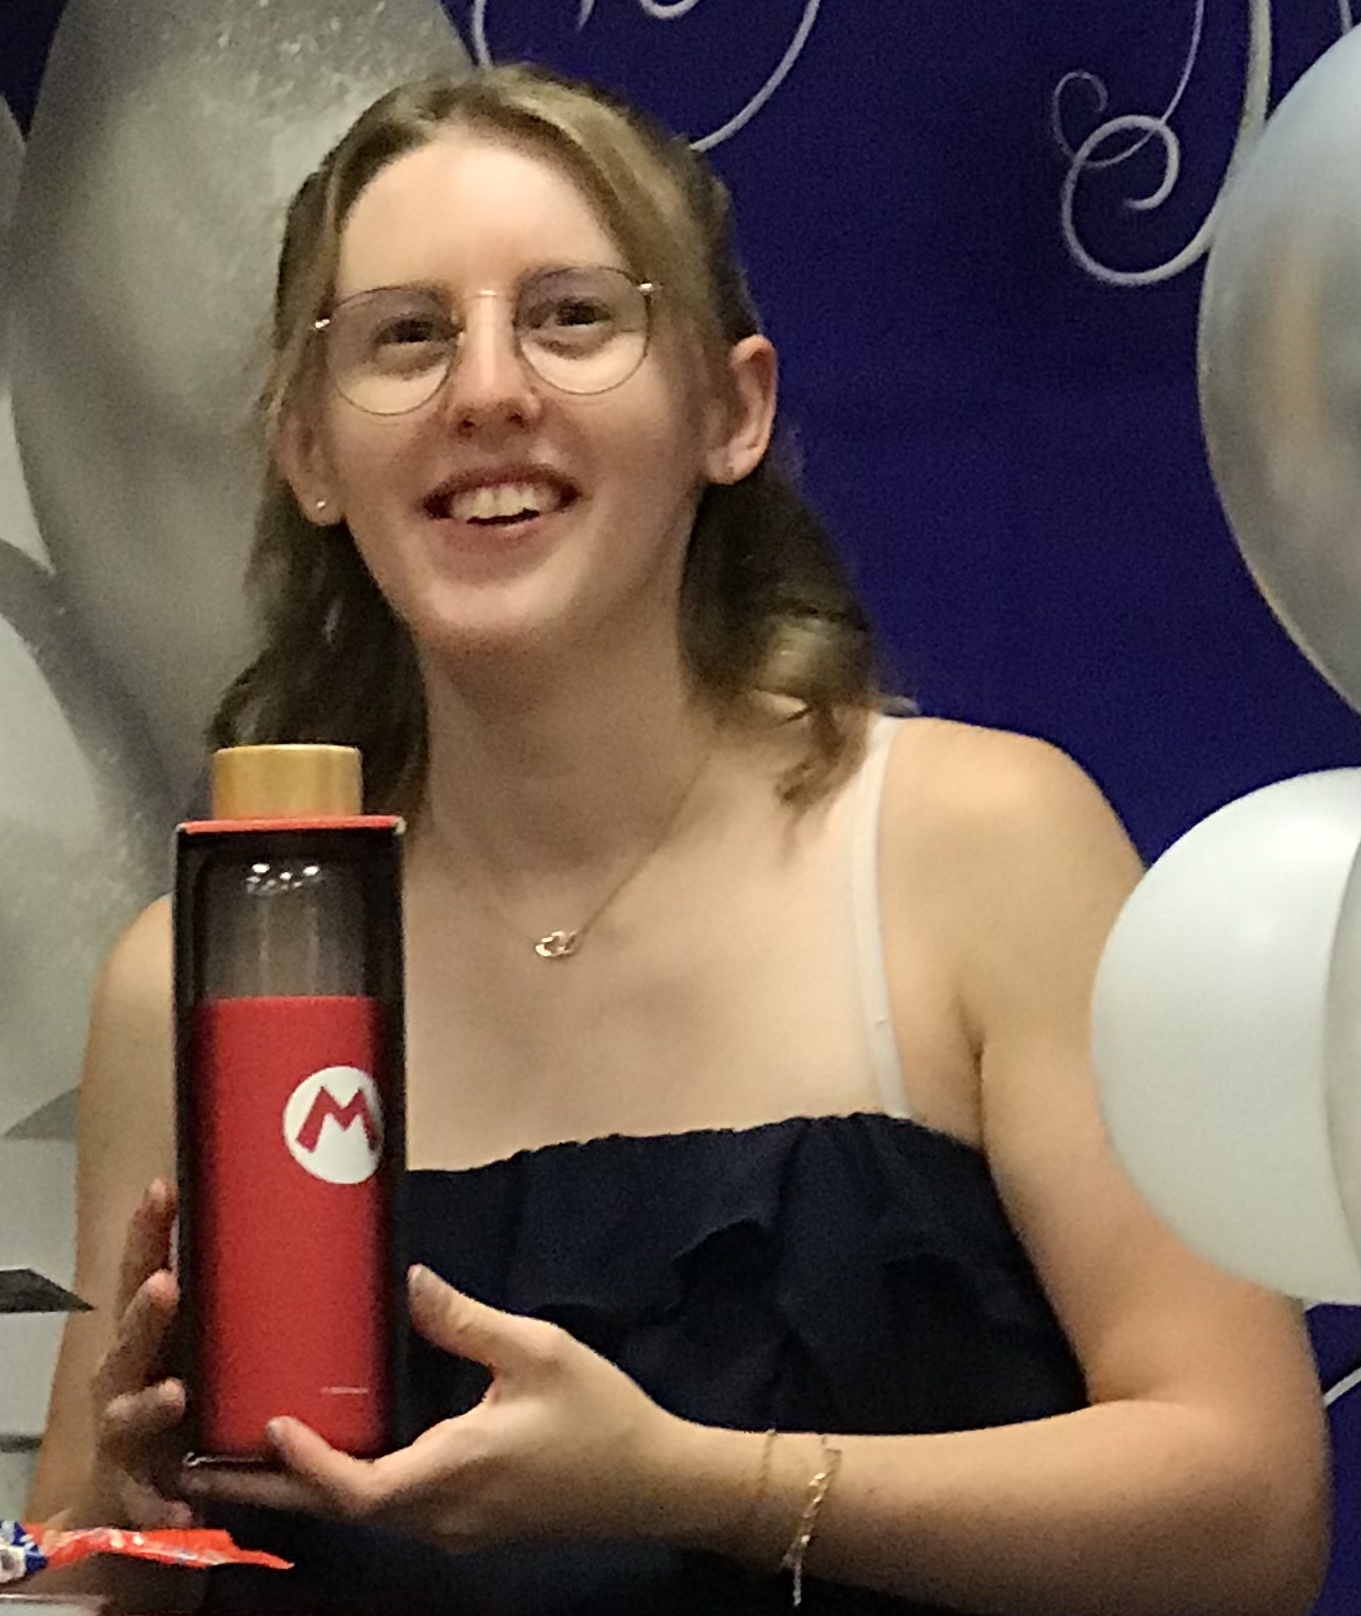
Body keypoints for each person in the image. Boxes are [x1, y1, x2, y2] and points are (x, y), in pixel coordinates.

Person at [29, 62, 1329, 1616]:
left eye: (571, 317)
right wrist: (126, 1512)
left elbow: (1249, 1512)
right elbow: (82, 1578)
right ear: (310, 451)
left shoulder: (980, 847)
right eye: (406, 335)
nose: (485, 390)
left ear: (729, 410)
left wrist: (693, 1482)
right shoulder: (194, 968)